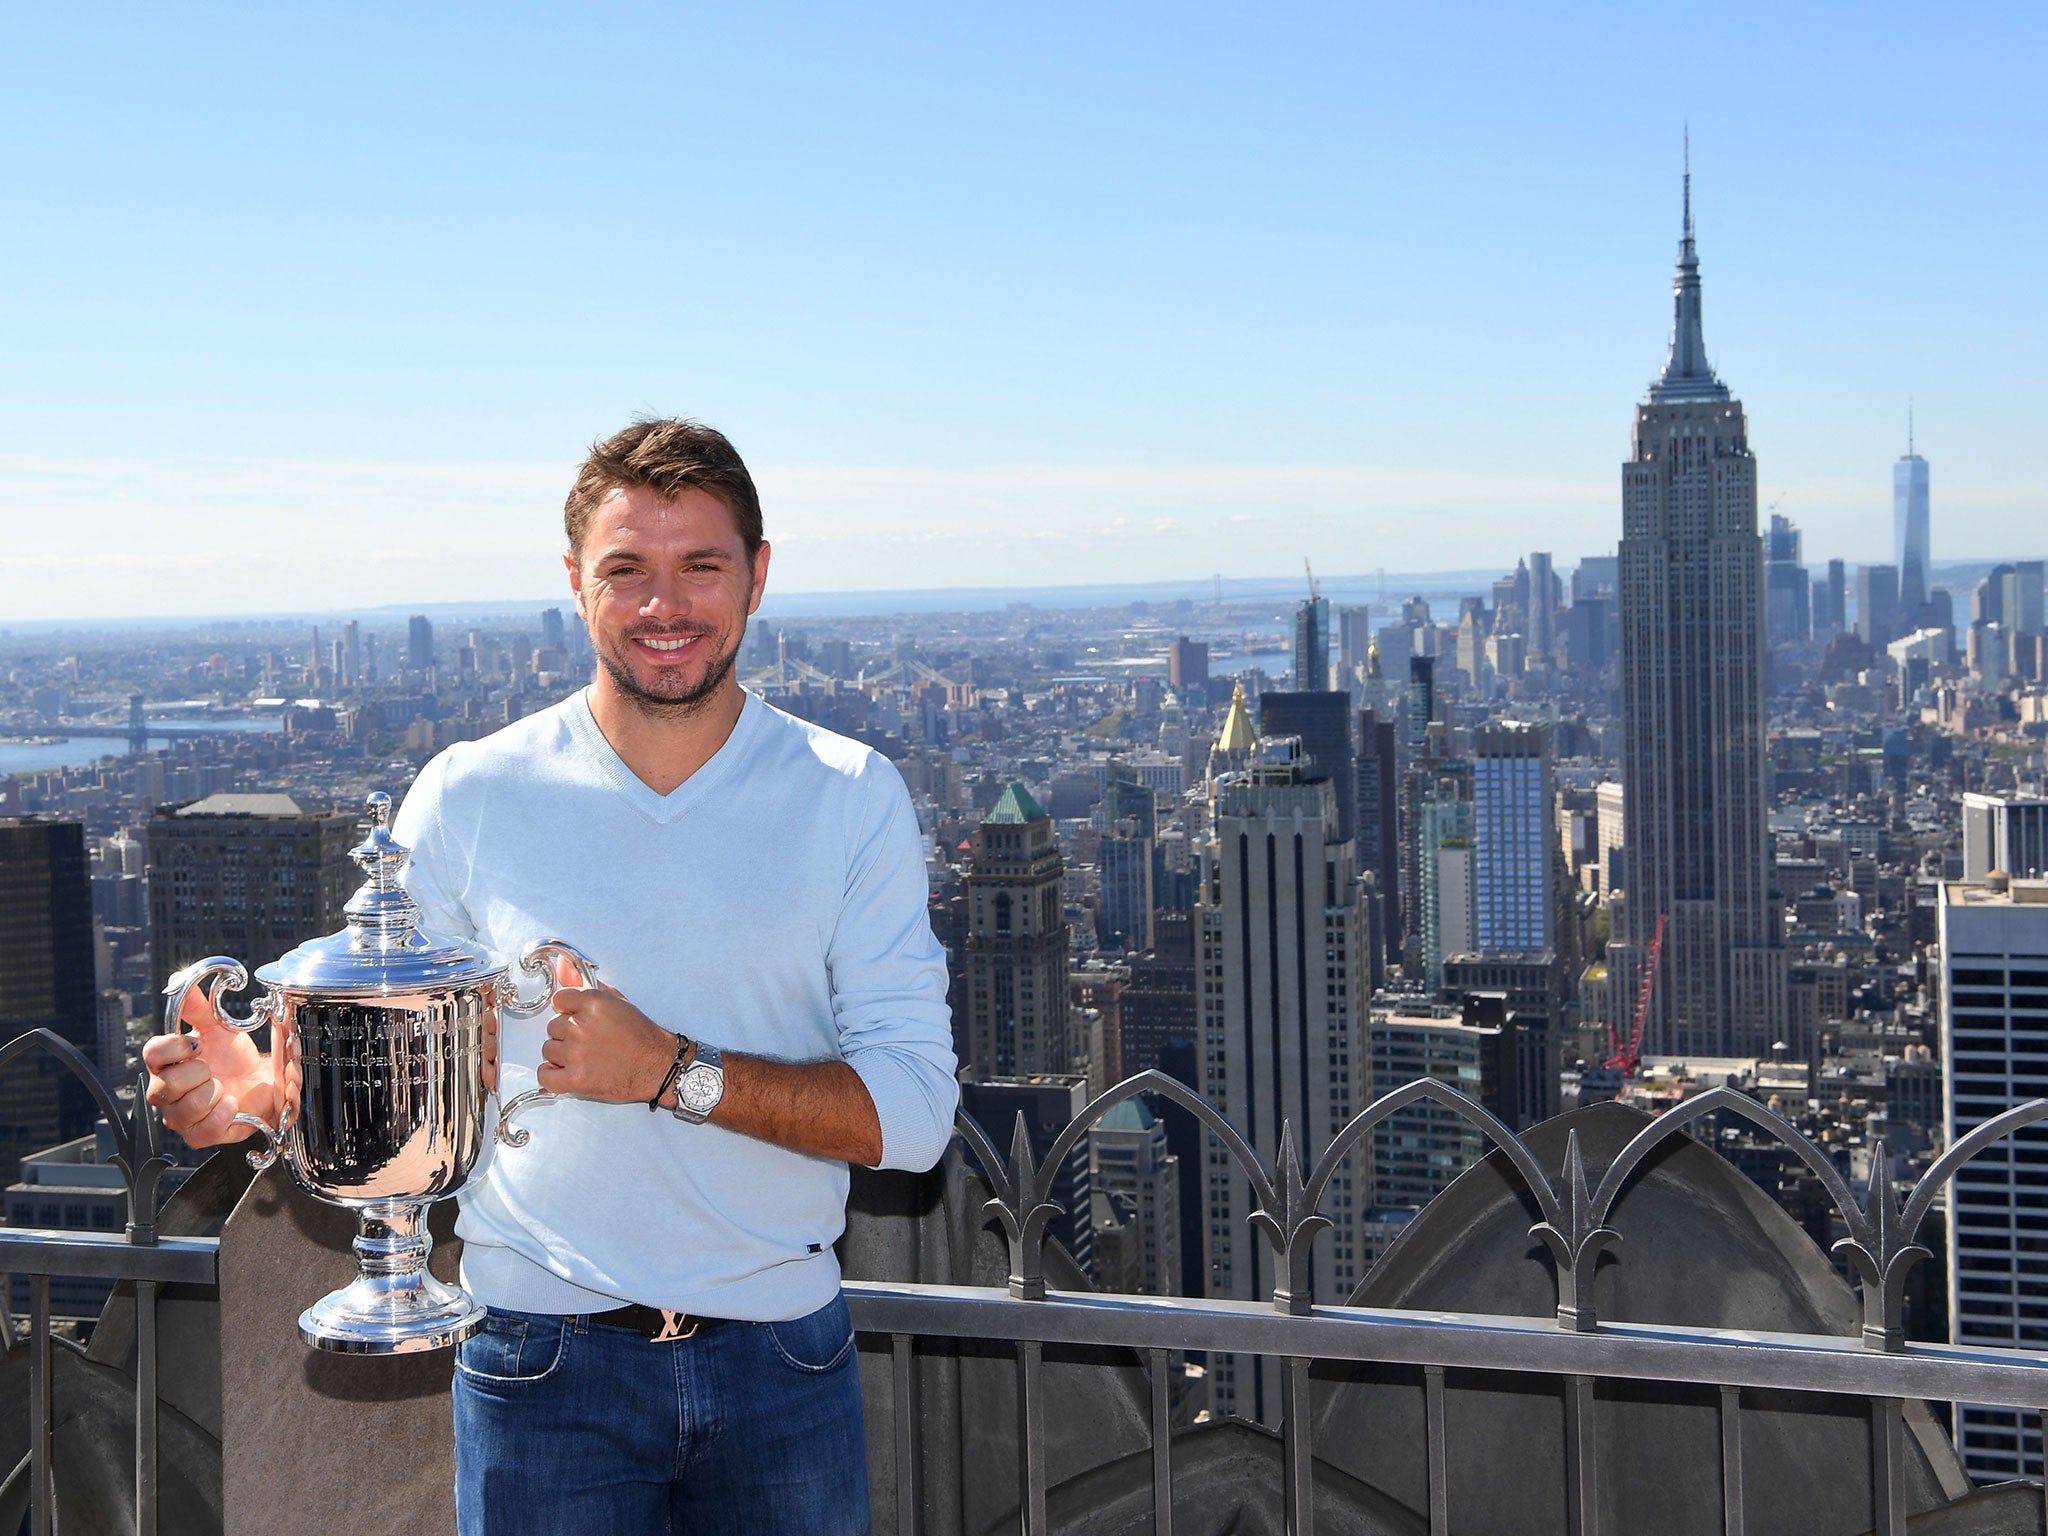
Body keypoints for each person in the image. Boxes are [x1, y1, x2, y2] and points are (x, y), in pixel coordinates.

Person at [143, 419, 961, 1534]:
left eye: (700, 567)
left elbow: (913, 1118)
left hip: (784, 1359)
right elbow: (380, 1058)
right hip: (538, 1363)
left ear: (757, 578)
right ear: (574, 581)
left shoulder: (848, 793)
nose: (662, 605)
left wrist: (673, 1070)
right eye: (626, 569)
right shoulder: (473, 793)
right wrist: (263, 1098)